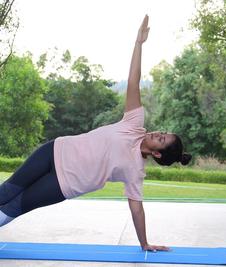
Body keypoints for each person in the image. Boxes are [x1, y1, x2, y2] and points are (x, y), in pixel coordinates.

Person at [0, 15, 191, 252]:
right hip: (54, 150)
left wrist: (144, 243)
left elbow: (137, 208)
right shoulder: (134, 124)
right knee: (7, 190)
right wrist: (138, 44)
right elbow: (133, 80)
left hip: (63, 183)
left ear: (158, 154)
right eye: (161, 131)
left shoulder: (135, 171)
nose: (155, 133)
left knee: (15, 205)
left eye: (160, 139)